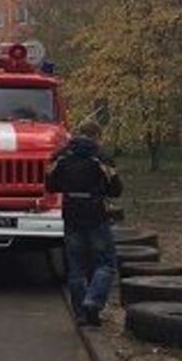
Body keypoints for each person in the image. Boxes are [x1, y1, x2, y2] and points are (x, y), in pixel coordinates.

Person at [45, 120, 123, 327]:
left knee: (76, 266)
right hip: (96, 213)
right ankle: (93, 301)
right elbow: (116, 190)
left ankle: (80, 314)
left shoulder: (60, 156)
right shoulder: (102, 157)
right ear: (97, 136)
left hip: (71, 214)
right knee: (105, 263)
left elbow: (50, 186)